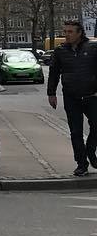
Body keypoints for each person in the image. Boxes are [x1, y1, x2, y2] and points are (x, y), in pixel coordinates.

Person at [46, 19, 97, 176]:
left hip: (92, 96)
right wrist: (51, 93)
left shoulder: (93, 48)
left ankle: (90, 150)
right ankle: (81, 164)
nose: (66, 35)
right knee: (75, 132)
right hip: (71, 97)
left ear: (79, 33)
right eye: (65, 32)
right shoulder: (60, 51)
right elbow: (54, 73)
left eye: (70, 32)